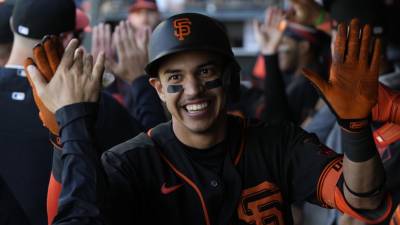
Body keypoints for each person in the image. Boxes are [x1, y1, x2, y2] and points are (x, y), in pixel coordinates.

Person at [28, 13, 393, 225]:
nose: (193, 90)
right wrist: (68, 136)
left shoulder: (277, 141)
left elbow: (361, 198)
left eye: (205, 72)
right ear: (156, 88)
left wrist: (355, 127)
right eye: (175, 78)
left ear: (230, 78)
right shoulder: (130, 162)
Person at [0, 1, 143, 225]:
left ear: (12, 24)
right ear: (67, 39)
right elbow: (153, 159)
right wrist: (139, 81)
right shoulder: (94, 105)